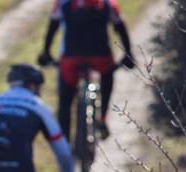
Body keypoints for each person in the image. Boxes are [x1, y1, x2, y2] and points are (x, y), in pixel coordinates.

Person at [38, 0, 136, 140]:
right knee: (107, 75)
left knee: (65, 101)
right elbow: (120, 27)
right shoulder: (107, 3)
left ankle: (64, 140)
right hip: (101, 57)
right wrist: (128, 55)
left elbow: (53, 27)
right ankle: (102, 116)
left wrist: (46, 53)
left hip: (70, 58)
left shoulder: (62, 3)